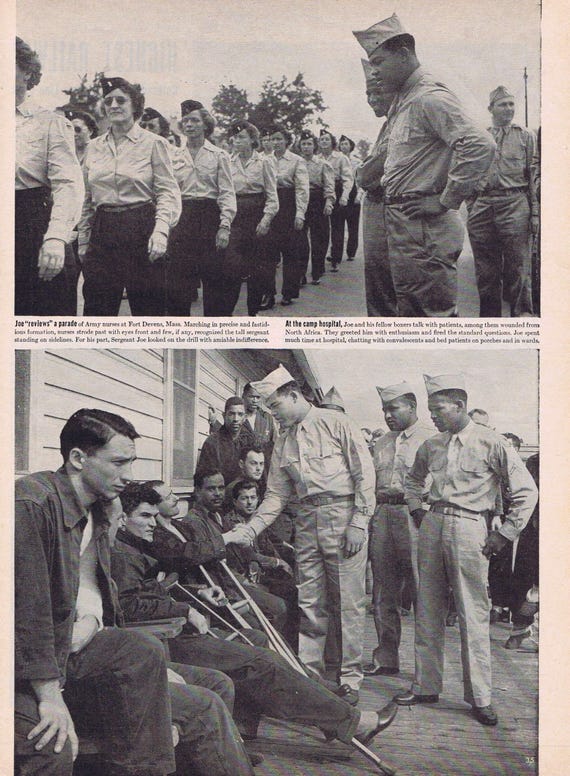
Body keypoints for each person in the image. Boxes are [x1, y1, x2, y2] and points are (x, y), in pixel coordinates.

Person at [111, 482, 398, 747]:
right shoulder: (123, 555)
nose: (152, 524)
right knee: (262, 663)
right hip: (163, 641)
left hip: (172, 629)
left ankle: (244, 732)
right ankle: (351, 722)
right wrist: (183, 609)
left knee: (257, 640)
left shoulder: (136, 547)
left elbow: (150, 593)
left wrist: (196, 593)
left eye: (152, 516)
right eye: (145, 517)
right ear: (123, 519)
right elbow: (127, 607)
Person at [15, 408, 177, 775]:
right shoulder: (32, 503)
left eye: (131, 463)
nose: (128, 476)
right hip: (23, 666)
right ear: (77, 458)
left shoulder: (100, 508)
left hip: (72, 645)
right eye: (119, 463)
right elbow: (29, 612)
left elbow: (95, 594)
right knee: (52, 745)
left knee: (144, 649)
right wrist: (50, 696)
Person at [393, 373, 538, 726]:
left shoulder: (492, 443)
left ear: (460, 406)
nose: (433, 416)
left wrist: (504, 533)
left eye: (439, 409)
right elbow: (413, 481)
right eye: (430, 410)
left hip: (471, 527)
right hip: (433, 523)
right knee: (427, 606)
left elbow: (526, 492)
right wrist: (416, 508)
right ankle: (426, 685)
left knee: (473, 612)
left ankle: (480, 697)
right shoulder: (432, 445)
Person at [228, 364, 376, 701]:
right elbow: (277, 494)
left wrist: (358, 522)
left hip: (344, 514)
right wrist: (250, 529)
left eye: (276, 407)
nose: (273, 416)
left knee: (349, 602)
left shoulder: (336, 423)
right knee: (310, 600)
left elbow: (365, 475)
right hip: (307, 520)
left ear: (294, 395)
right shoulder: (283, 440)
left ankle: (350, 678)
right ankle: (311, 676)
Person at [354, 14, 496, 316]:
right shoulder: (406, 99)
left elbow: (480, 144)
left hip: (423, 228)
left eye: (379, 62)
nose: (375, 72)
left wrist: (446, 200)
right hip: (407, 225)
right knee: (411, 309)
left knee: (430, 315)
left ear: (404, 54)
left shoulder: (428, 98)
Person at [78, 77, 181, 316]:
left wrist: (161, 230)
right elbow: (86, 197)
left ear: (135, 105)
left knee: (148, 311)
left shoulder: (154, 143)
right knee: (97, 310)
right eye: (108, 101)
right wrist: (84, 239)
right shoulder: (93, 147)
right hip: (103, 232)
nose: (113, 105)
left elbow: (167, 190)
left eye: (120, 100)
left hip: (141, 227)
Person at [363, 382, 434, 677]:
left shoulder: (433, 438)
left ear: (412, 408)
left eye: (393, 408)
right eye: (384, 410)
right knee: (383, 589)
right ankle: (386, 656)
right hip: (383, 514)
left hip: (415, 515)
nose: (387, 415)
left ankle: (425, 667)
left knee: (423, 590)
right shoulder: (381, 442)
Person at [15, 37, 84, 316]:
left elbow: (68, 185)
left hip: (31, 225)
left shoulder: (49, 122)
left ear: (27, 72)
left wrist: (56, 237)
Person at [466, 86, 537, 317]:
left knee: (518, 269)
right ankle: (490, 323)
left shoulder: (526, 136)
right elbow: (468, 171)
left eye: (511, 104)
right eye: (503, 104)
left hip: (515, 203)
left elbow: (533, 176)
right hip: (483, 205)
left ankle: (522, 321)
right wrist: (472, 204)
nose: (509, 109)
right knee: (486, 272)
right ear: (491, 109)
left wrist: (535, 214)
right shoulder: (481, 136)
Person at [167, 99, 237, 315]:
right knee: (179, 284)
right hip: (182, 219)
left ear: (206, 124)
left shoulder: (219, 155)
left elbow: (226, 192)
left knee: (214, 282)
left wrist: (224, 226)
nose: (189, 125)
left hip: (210, 219)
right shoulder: (173, 155)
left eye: (194, 120)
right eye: (185, 121)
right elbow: (168, 192)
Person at [356, 59, 398, 316]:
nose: (371, 99)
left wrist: (363, 172)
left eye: (377, 92)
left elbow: (368, 174)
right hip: (379, 208)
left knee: (383, 286)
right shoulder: (388, 124)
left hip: (386, 209)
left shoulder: (397, 122)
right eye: (368, 94)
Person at [225, 120, 279, 315]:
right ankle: (228, 312)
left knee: (256, 268)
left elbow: (273, 197)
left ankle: (252, 312)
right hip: (235, 217)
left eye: (241, 137)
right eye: (235, 137)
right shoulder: (227, 161)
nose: (236, 140)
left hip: (256, 218)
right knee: (232, 266)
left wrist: (266, 220)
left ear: (252, 140)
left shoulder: (264, 162)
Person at [265, 125, 309, 306]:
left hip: (288, 204)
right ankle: (268, 294)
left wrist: (300, 213)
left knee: (290, 251)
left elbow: (302, 188)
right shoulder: (264, 159)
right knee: (267, 252)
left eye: (279, 139)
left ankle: (289, 293)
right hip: (268, 204)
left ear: (287, 141)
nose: (275, 143)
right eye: (272, 139)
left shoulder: (296, 161)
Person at [297, 130, 335, 285]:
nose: (306, 147)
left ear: (315, 146)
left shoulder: (323, 164)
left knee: (319, 238)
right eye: (303, 144)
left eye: (309, 144)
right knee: (299, 239)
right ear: (299, 146)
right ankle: (300, 273)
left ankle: (317, 271)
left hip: (317, 200)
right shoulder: (296, 162)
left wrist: (328, 202)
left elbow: (329, 185)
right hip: (300, 200)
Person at [196, 396, 255, 484]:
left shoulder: (250, 442)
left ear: (245, 417)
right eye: (231, 414)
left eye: (240, 414)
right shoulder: (212, 443)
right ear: (224, 416)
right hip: (220, 494)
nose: (235, 419)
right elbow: (203, 478)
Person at [317, 130, 353, 272]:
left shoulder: (341, 158)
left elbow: (348, 178)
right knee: (322, 227)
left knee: (337, 227)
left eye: (326, 139)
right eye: (321, 140)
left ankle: (335, 258)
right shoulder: (316, 158)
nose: (324, 142)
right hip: (321, 192)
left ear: (332, 142)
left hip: (337, 190)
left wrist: (344, 196)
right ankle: (319, 260)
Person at [338, 134, 362, 261]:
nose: (343, 146)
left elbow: (361, 181)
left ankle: (351, 252)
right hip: (340, 193)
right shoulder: (337, 160)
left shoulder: (357, 162)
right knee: (338, 225)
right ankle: (336, 253)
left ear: (351, 146)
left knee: (353, 225)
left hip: (353, 195)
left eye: (346, 144)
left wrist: (359, 196)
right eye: (341, 144)